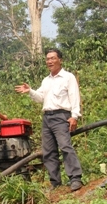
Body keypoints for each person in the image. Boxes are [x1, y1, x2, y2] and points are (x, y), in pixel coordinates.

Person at [15, 48, 83, 191]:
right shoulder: (46, 80)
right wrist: (30, 91)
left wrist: (74, 116)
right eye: (48, 59)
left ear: (60, 60)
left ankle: (75, 178)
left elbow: (74, 97)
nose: (50, 61)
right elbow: (40, 98)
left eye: (53, 58)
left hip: (61, 116)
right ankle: (55, 182)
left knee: (65, 146)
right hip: (47, 117)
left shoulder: (68, 77)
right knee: (49, 151)